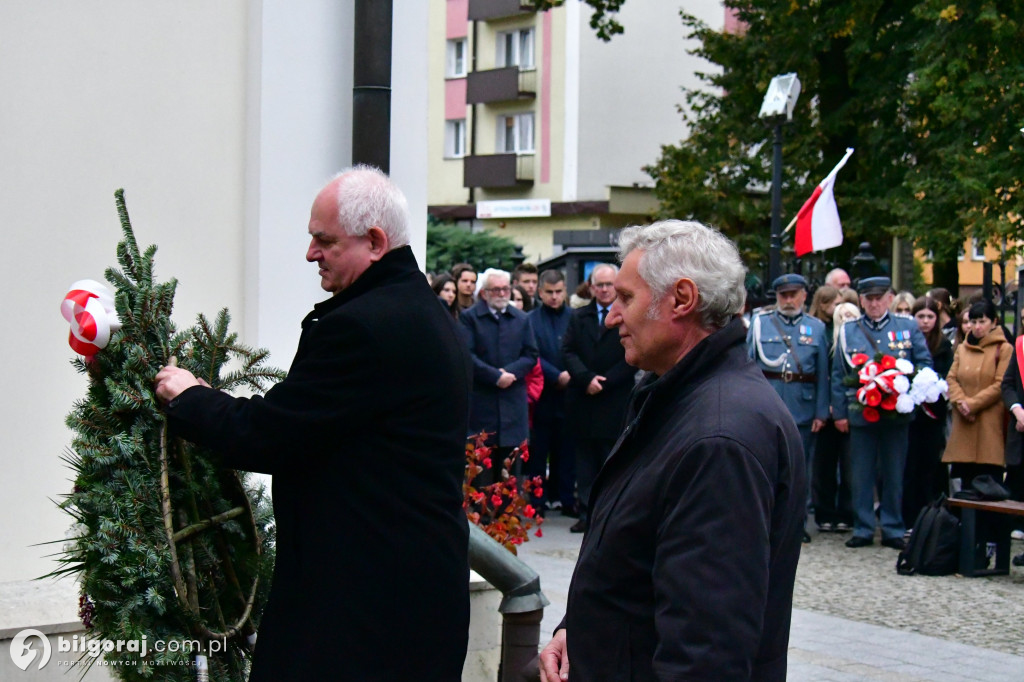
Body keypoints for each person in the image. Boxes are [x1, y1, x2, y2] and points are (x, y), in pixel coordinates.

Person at [153, 167, 472, 681]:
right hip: (413, 599)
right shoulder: (425, 313)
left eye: (324, 241)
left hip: (360, 613)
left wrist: (191, 397)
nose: (310, 254)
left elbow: (271, 434)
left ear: (374, 241)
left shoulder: (363, 327)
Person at [540, 220, 805, 682]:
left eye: (626, 298)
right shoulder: (676, 396)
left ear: (681, 299)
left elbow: (706, 651)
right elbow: (636, 562)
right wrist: (579, 629)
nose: (611, 317)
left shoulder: (719, 437)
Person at [832, 276, 932, 549]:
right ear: (861, 300)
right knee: (861, 474)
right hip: (861, 411)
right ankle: (863, 527)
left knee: (894, 472)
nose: (874, 304)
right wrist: (840, 412)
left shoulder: (907, 327)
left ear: (890, 298)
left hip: (896, 413)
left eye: (879, 298)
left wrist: (909, 393)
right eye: (869, 299)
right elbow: (839, 373)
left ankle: (892, 527)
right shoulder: (849, 330)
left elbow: (923, 364)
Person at [747, 273, 829, 543]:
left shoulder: (816, 328)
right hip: (766, 405)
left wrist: (820, 412)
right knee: (764, 467)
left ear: (805, 296)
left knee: (798, 470)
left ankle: (797, 523)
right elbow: (746, 368)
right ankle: (764, 521)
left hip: (801, 408)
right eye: (784, 295)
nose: (789, 300)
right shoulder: (760, 324)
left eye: (794, 294)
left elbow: (823, 374)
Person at [561, 263, 634, 534]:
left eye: (609, 284)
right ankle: (586, 512)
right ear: (591, 287)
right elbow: (567, 351)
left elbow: (634, 355)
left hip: (613, 399)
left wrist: (605, 382)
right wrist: (586, 378)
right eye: (599, 285)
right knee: (584, 462)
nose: (604, 289)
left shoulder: (628, 314)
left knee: (610, 461)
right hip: (583, 398)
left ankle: (609, 514)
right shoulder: (579, 317)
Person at [461, 268, 539, 484]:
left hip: (512, 406)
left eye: (506, 289)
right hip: (482, 407)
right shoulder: (470, 318)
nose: (502, 294)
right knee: (482, 477)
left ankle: (506, 517)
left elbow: (531, 354)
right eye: (496, 289)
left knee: (509, 476)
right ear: (484, 293)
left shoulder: (521, 319)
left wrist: (511, 373)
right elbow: (467, 355)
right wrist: (495, 376)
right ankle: (482, 519)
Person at [943, 299, 1012, 490]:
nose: (977, 327)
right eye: (973, 322)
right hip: (964, 423)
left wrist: (973, 404)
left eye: (982, 322)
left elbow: (1001, 384)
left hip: (989, 424)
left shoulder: (1004, 349)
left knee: (990, 485)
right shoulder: (962, 348)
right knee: (966, 485)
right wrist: (961, 402)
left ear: (994, 322)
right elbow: (951, 378)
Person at [902, 296, 954, 526]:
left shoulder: (943, 346)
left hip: (934, 414)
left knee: (930, 466)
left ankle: (930, 514)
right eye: (920, 316)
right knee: (909, 466)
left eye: (930, 316)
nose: (925, 322)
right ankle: (909, 514)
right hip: (911, 414)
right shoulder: (907, 342)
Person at [527, 269, 575, 516]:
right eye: (549, 292)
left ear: (565, 291)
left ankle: (565, 498)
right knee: (539, 449)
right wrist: (556, 375)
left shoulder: (574, 317)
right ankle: (537, 500)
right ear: (540, 292)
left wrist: (571, 374)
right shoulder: (531, 320)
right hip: (542, 394)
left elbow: (578, 349)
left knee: (566, 449)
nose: (554, 297)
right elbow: (532, 353)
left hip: (570, 394)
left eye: (558, 292)